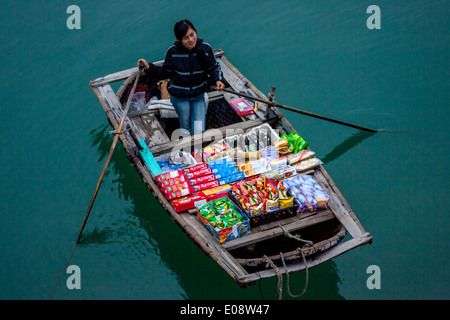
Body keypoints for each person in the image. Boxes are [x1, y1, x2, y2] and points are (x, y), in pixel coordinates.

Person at [138, 19, 225, 136]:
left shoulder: (206, 49)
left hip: (198, 95)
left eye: (192, 34)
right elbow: (164, 73)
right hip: (179, 97)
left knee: (199, 130)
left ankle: (195, 151)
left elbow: (214, 67)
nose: (191, 40)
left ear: (195, 32)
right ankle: (187, 152)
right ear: (179, 40)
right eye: (185, 38)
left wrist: (218, 79)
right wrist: (148, 67)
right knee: (185, 127)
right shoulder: (172, 52)